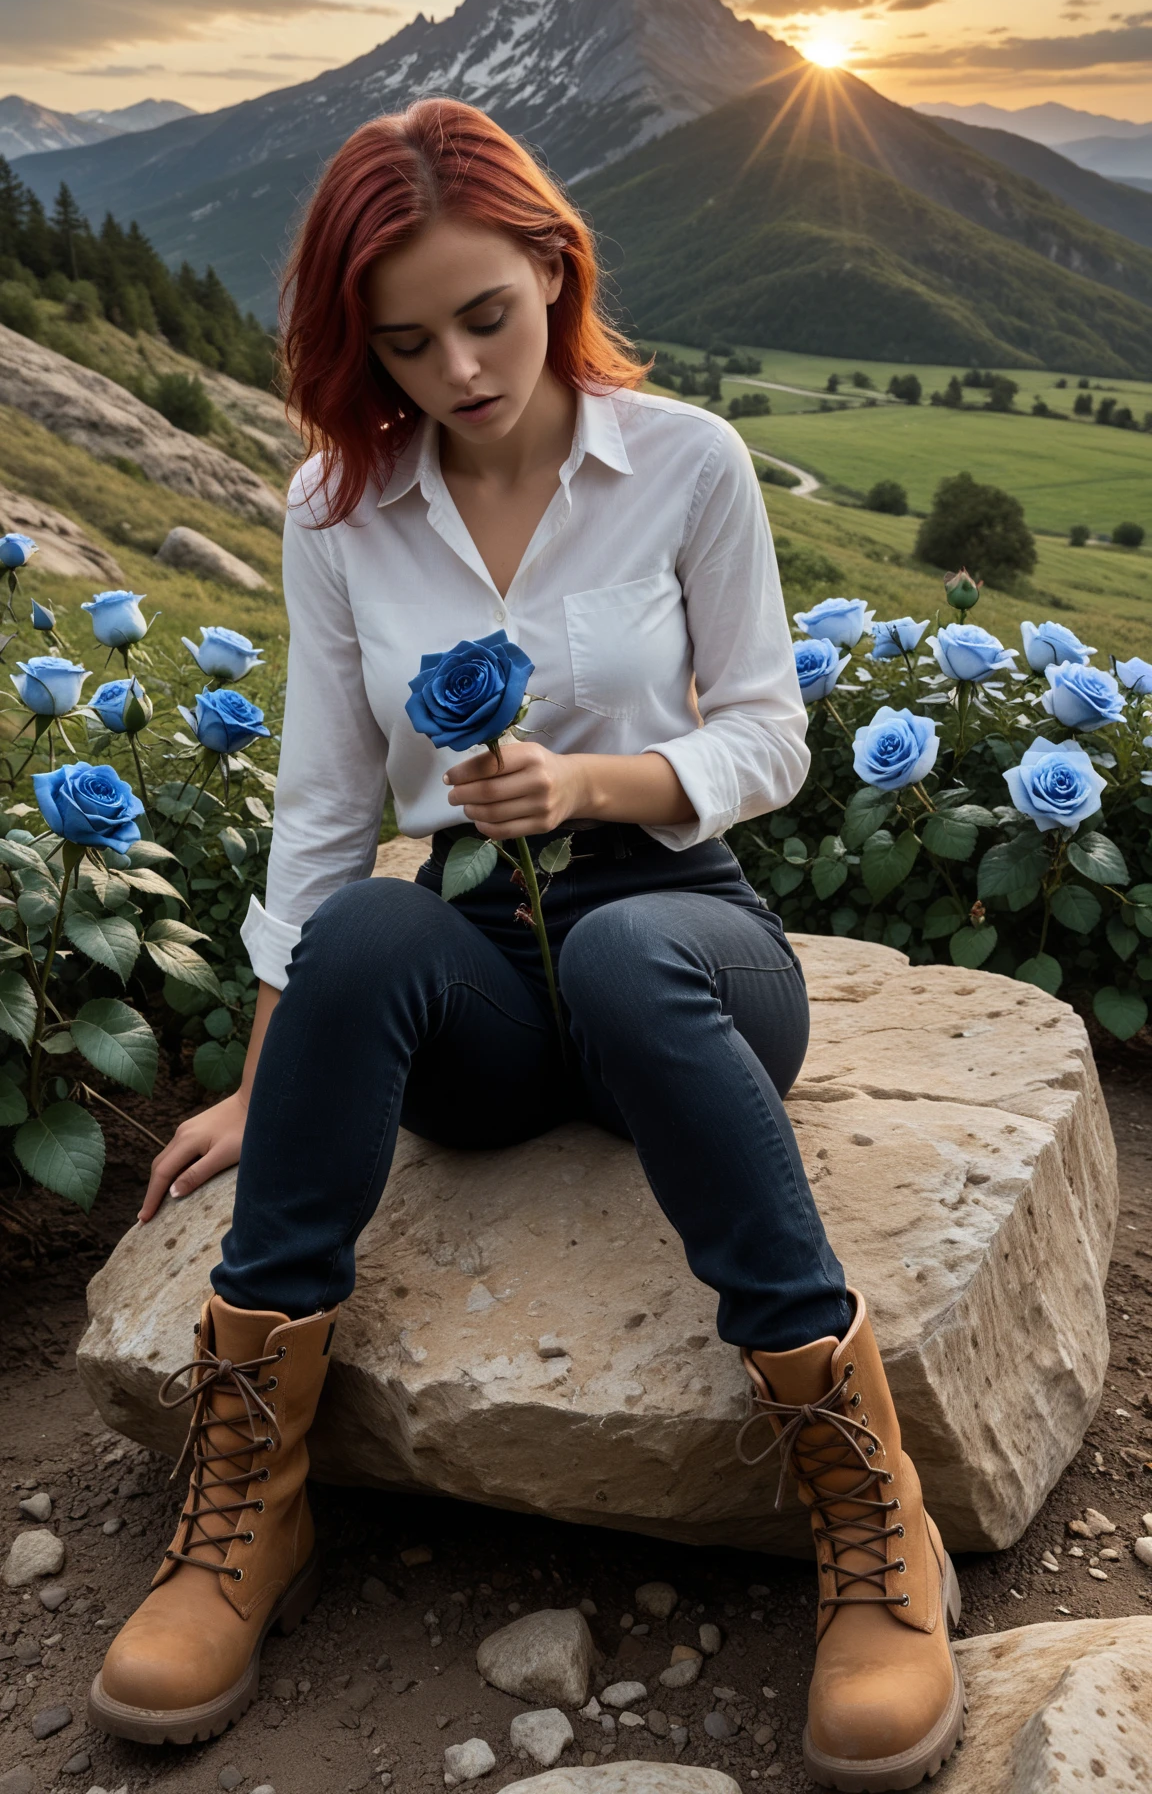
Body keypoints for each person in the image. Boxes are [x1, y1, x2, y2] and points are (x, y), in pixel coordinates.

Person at [88, 99, 965, 1789]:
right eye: (404, 342)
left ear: (553, 268)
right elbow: (329, 817)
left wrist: (594, 782)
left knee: (638, 966)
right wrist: (271, 1089)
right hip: (480, 968)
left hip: (690, 928)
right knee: (360, 932)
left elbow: (773, 738)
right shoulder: (339, 513)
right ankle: (248, 1514)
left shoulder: (687, 459)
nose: (460, 371)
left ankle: (869, 1502)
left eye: (487, 316)